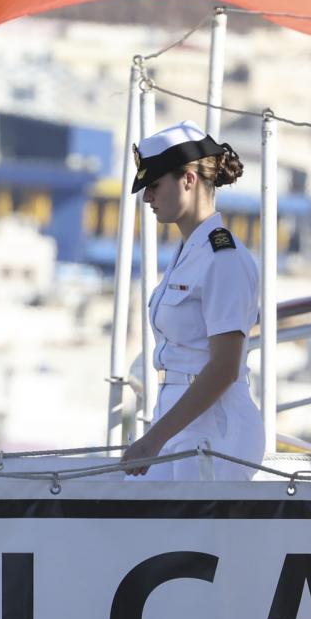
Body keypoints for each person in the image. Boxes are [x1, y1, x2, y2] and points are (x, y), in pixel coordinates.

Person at [120, 120, 264, 480]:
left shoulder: (223, 257)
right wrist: (157, 436)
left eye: (154, 185)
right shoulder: (190, 251)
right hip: (180, 423)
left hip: (214, 432)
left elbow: (224, 367)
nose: (147, 198)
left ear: (188, 179)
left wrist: (152, 442)